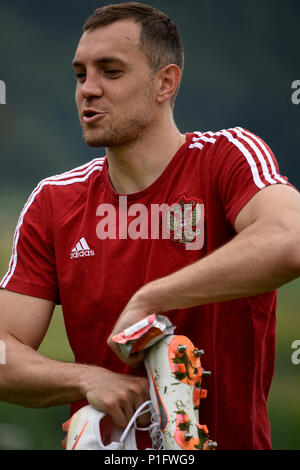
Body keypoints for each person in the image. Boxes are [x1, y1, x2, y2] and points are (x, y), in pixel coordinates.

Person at [0, 2, 299, 450]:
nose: (89, 89)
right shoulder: (53, 201)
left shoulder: (228, 157)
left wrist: (153, 298)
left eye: (111, 71)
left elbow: (289, 240)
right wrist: (85, 379)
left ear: (166, 83)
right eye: (81, 74)